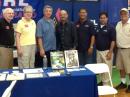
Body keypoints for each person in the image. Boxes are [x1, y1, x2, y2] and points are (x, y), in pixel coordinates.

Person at [95, 12, 116, 85]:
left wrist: (110, 52)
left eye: (104, 18)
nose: (102, 19)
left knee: (107, 68)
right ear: (99, 19)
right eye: (101, 18)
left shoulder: (111, 28)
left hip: (107, 51)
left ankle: (106, 84)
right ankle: (102, 81)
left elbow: (113, 41)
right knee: (100, 68)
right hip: (98, 51)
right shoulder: (97, 27)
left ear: (107, 18)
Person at [115, 8, 130, 93]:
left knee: (129, 69)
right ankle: (123, 83)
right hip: (119, 49)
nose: (123, 15)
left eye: (125, 14)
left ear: (128, 14)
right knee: (121, 68)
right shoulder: (118, 23)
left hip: (128, 49)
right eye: (121, 14)